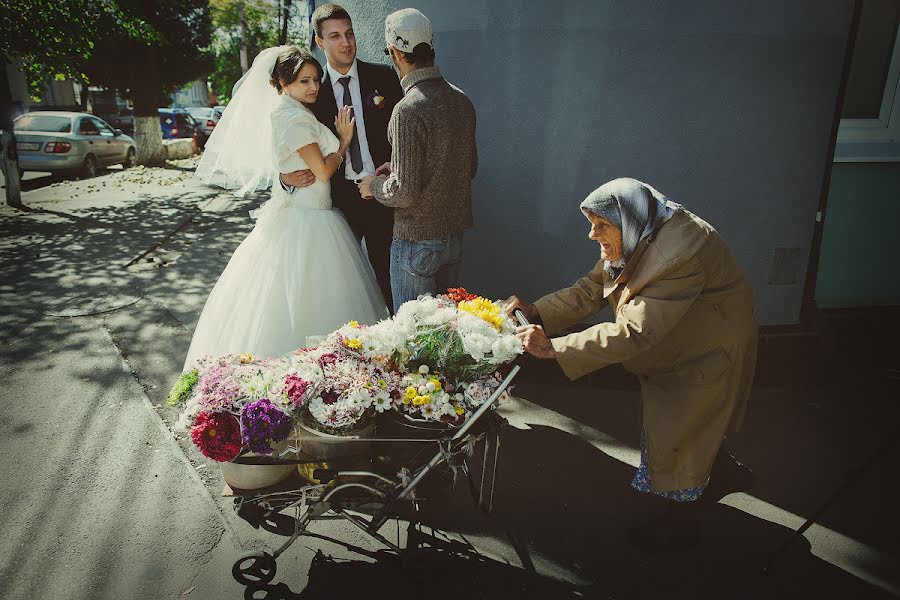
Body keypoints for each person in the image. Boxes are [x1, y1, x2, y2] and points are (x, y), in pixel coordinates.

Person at [506, 178, 757, 551]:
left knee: (680, 433)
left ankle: (680, 530)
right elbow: (592, 289)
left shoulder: (678, 253)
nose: (593, 235)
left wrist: (555, 348)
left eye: (601, 225)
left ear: (627, 219)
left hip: (704, 351)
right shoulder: (638, 231)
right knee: (689, 427)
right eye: (591, 224)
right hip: (679, 341)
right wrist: (536, 312)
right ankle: (720, 471)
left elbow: (637, 331)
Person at [185, 46, 388, 370]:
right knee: (311, 297)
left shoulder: (289, 111)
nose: (313, 87)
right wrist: (344, 140)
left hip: (308, 209)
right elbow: (322, 170)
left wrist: (284, 173)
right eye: (303, 81)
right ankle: (308, 373)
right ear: (282, 81)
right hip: (310, 218)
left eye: (315, 80)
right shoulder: (294, 118)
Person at [281, 3, 402, 313]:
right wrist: (283, 178)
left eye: (349, 34)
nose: (345, 43)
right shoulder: (310, 91)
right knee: (339, 291)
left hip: (380, 193)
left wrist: (392, 173)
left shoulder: (385, 77)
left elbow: (403, 138)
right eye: (335, 36)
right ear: (320, 42)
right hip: (335, 204)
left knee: (391, 281)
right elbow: (286, 141)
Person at [358, 8, 478, 309]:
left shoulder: (407, 109)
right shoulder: (461, 100)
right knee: (448, 336)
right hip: (453, 239)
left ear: (396, 52)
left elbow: (404, 192)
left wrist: (372, 186)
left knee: (413, 340)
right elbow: (468, 167)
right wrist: (399, 168)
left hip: (416, 243)